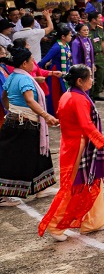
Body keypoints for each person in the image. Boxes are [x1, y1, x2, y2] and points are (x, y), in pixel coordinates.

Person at [38, 65, 104, 241]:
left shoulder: (68, 95)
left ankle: (93, 222)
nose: (92, 81)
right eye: (90, 78)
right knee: (72, 188)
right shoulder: (78, 99)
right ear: (80, 81)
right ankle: (55, 226)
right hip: (78, 148)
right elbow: (87, 125)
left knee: (92, 182)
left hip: (73, 145)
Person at [0, 47, 58, 206]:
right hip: (23, 123)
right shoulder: (24, 79)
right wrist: (46, 116)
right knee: (14, 159)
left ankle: (41, 188)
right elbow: (30, 100)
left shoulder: (13, 75)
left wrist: (10, 110)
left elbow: (4, 96)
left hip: (18, 120)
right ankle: (3, 195)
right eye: (32, 60)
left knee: (38, 154)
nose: (34, 62)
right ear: (25, 63)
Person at [38, 26, 74, 116]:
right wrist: (36, 69)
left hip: (65, 72)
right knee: (55, 94)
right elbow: (44, 60)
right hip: (56, 73)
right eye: (69, 35)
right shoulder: (57, 47)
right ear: (63, 37)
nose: (71, 37)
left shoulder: (66, 45)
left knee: (64, 93)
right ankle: (55, 114)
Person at [87, 14, 104, 101]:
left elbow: (102, 43)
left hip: (99, 54)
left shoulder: (100, 29)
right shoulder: (86, 29)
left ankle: (97, 93)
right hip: (90, 55)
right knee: (90, 75)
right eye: (99, 18)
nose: (101, 19)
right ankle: (90, 94)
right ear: (93, 19)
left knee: (100, 75)